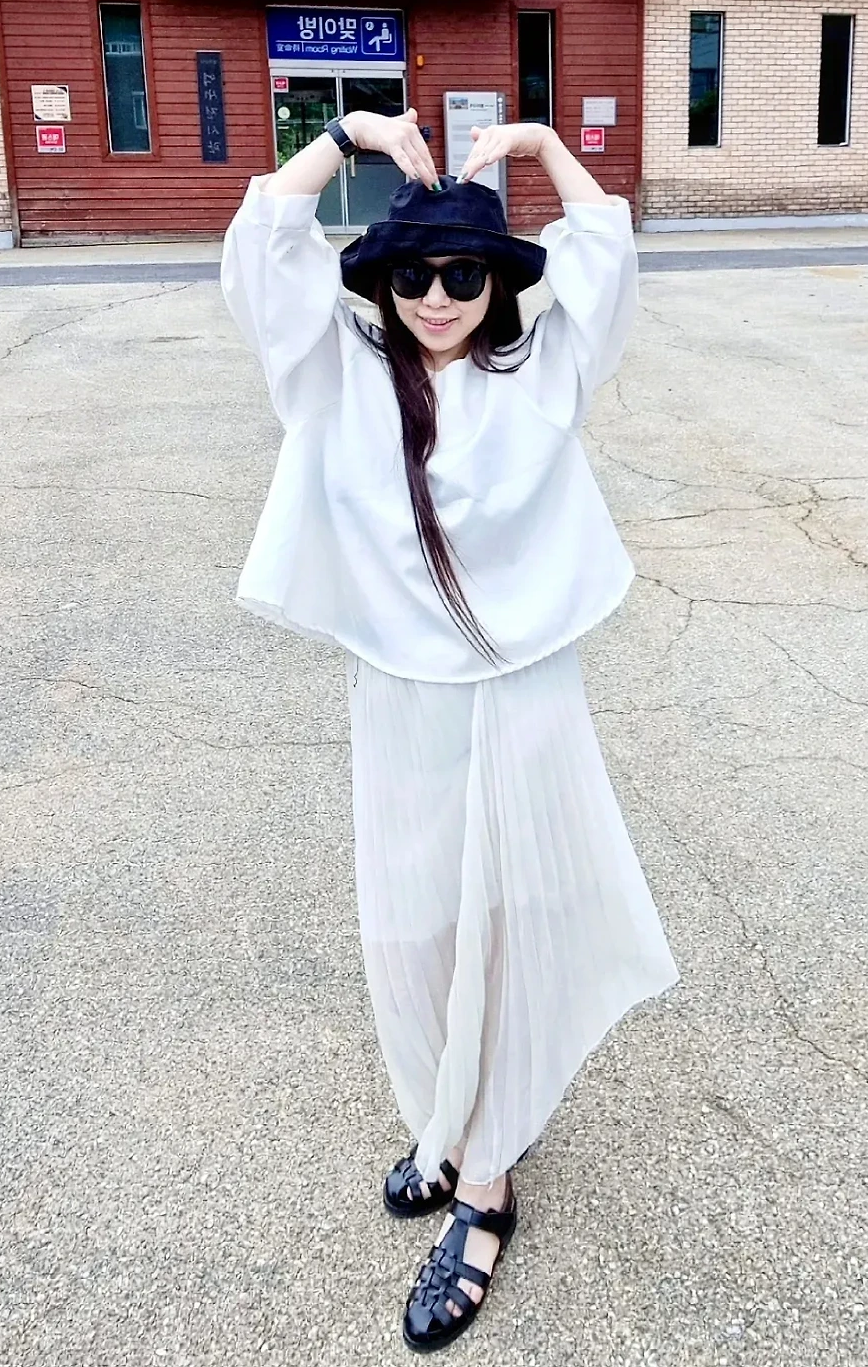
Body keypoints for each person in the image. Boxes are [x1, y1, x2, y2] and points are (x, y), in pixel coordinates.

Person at [220, 108, 678, 1352]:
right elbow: (266, 238)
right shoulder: (339, 375)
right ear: (380, 278)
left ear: (496, 283)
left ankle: (485, 1184)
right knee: (411, 923)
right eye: (413, 273)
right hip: (399, 697)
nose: (436, 296)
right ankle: (450, 1115)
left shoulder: (539, 374)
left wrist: (532, 146)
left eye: (464, 274)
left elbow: (602, 246)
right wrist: (351, 134)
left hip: (522, 692)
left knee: (507, 918)